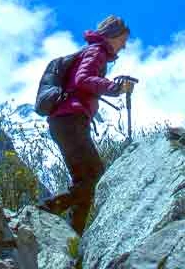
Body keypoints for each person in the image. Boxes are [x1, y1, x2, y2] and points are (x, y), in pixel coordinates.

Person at [38, 15, 138, 232]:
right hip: (71, 120)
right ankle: (45, 210)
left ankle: (74, 237)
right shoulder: (96, 52)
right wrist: (115, 88)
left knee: (86, 181)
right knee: (95, 178)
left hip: (64, 122)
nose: (124, 46)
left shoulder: (92, 52)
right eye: (123, 40)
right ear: (113, 36)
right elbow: (82, 80)